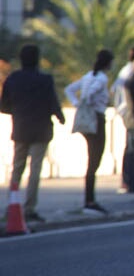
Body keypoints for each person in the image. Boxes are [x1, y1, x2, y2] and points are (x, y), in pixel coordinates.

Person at [0, 44, 65, 223]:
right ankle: (30, 208)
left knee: (17, 168)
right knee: (35, 169)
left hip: (20, 128)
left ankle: (12, 205)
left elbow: (3, 105)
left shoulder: (13, 79)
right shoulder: (45, 80)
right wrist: (60, 117)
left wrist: (19, 112)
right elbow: (53, 102)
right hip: (42, 129)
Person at [65, 49, 114, 215]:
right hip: (97, 119)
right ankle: (90, 200)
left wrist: (76, 103)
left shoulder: (88, 76)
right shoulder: (101, 79)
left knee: (91, 160)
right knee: (94, 160)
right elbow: (90, 94)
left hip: (88, 118)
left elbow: (70, 89)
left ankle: (89, 198)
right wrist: (86, 102)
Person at [113, 46, 134, 193]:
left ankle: (129, 181)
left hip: (126, 112)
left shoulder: (125, 71)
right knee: (133, 148)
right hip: (130, 113)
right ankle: (129, 181)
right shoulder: (131, 72)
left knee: (131, 147)